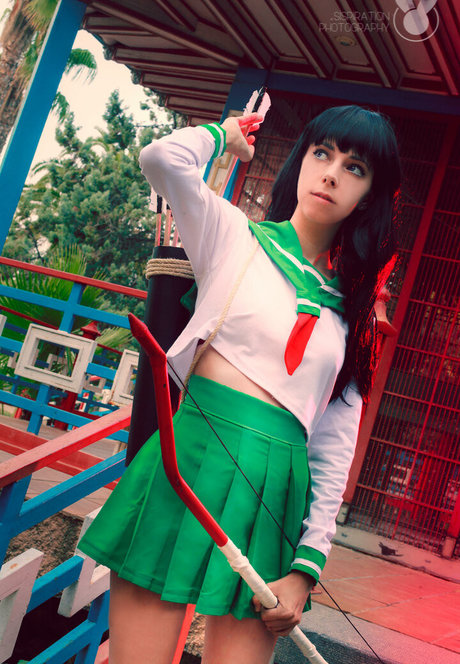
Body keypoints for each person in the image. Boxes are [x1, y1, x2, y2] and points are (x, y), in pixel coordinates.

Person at [79, 104, 401, 664]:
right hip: (187, 463)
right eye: (322, 153)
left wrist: (307, 567)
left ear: (369, 195)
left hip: (276, 497)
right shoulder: (233, 236)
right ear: (301, 160)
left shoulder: (356, 312)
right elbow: (162, 160)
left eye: (354, 168)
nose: (331, 174)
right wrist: (223, 135)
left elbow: (333, 448)